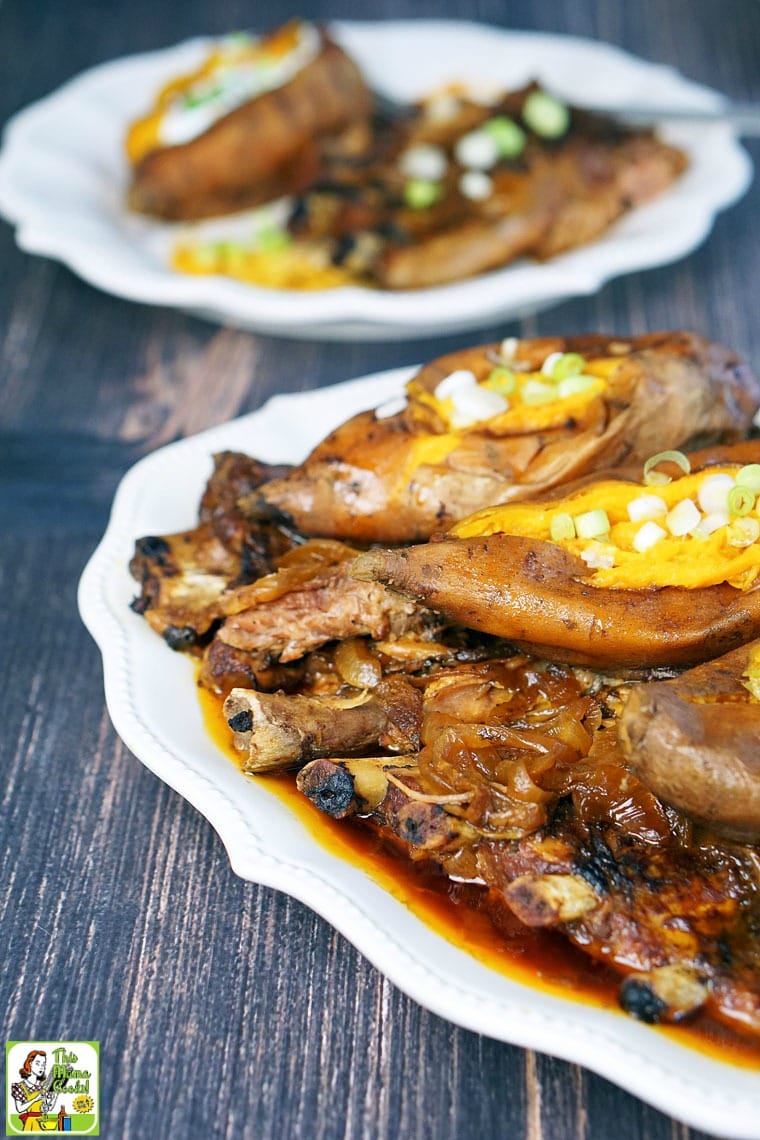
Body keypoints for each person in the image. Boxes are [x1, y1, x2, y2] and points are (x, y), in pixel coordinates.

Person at [11, 1051, 58, 1132]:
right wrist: (35, 1099)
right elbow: (19, 1109)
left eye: (43, 1065)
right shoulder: (19, 1087)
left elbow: (48, 1108)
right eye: (38, 1063)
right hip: (30, 1124)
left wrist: (56, 1094)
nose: (41, 1067)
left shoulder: (43, 1086)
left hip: (42, 1123)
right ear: (30, 1063)